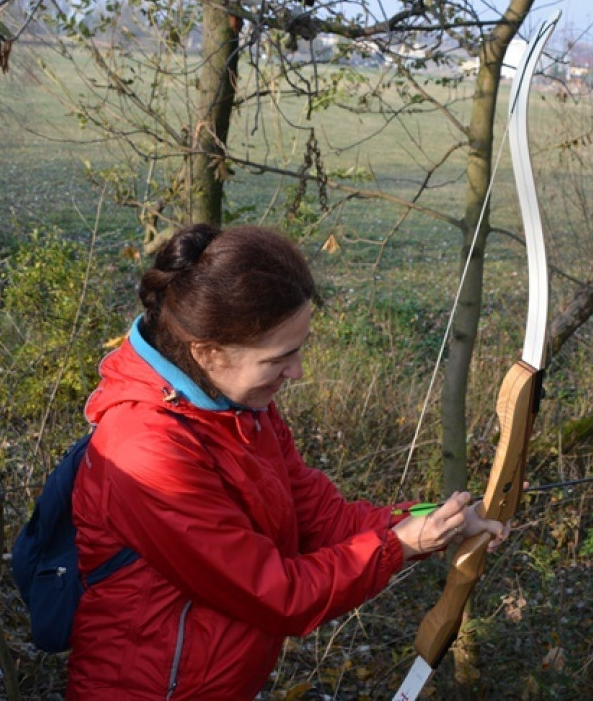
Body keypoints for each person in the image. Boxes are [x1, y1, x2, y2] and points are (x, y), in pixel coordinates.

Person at [67, 223, 509, 700]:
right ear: (208, 352)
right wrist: (396, 547)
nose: (296, 372)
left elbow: (324, 519)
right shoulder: (145, 453)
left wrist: (434, 522)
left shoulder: (238, 407)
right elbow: (276, 592)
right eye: (280, 357)